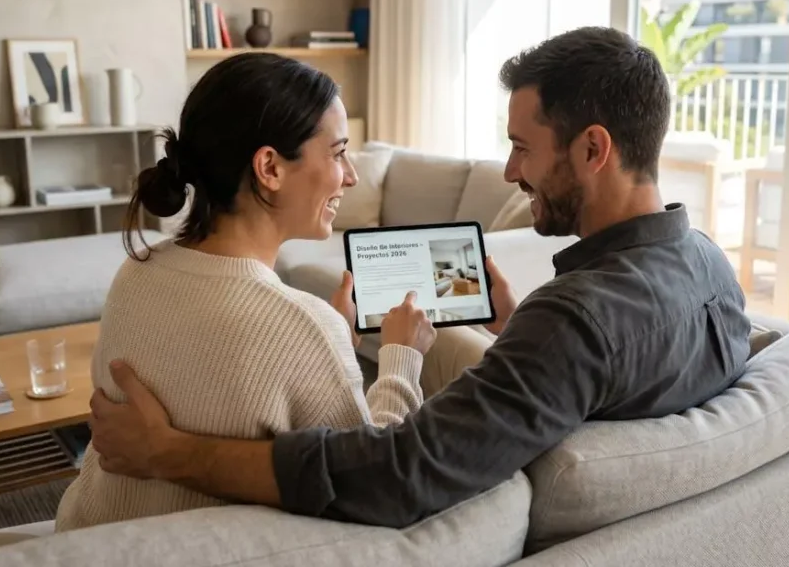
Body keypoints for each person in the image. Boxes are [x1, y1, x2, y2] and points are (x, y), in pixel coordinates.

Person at [85, 26, 752, 528]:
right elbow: (608, 367)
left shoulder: (573, 322)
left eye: (521, 147)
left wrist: (167, 452)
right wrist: (514, 326)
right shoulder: (712, 269)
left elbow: (395, 472)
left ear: (594, 148)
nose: (510, 173)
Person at [52, 52, 440, 531]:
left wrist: (328, 341)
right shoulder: (302, 326)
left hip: (83, 536)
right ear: (270, 167)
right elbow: (375, 487)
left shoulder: (135, 272)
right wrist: (401, 358)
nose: (351, 175)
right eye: (338, 153)